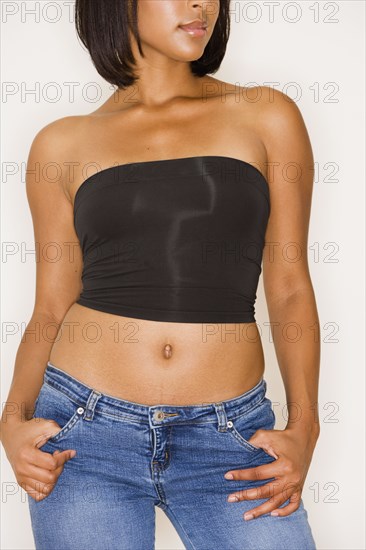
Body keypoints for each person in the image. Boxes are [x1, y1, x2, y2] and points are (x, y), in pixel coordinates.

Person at [0, 0, 320, 548]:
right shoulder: (61, 143)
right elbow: (51, 307)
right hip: (84, 436)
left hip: (232, 438)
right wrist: (11, 422)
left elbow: (289, 284)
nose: (203, 5)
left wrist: (304, 428)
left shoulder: (266, 114)